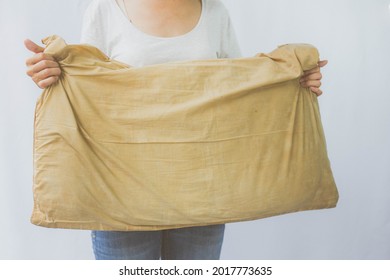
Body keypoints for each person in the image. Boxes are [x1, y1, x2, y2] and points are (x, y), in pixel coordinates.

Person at [24, 0, 327, 260]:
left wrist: (294, 83)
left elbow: (242, 90)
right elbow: (87, 89)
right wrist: (51, 73)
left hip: (204, 191)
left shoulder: (213, 11)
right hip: (121, 192)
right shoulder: (105, 9)